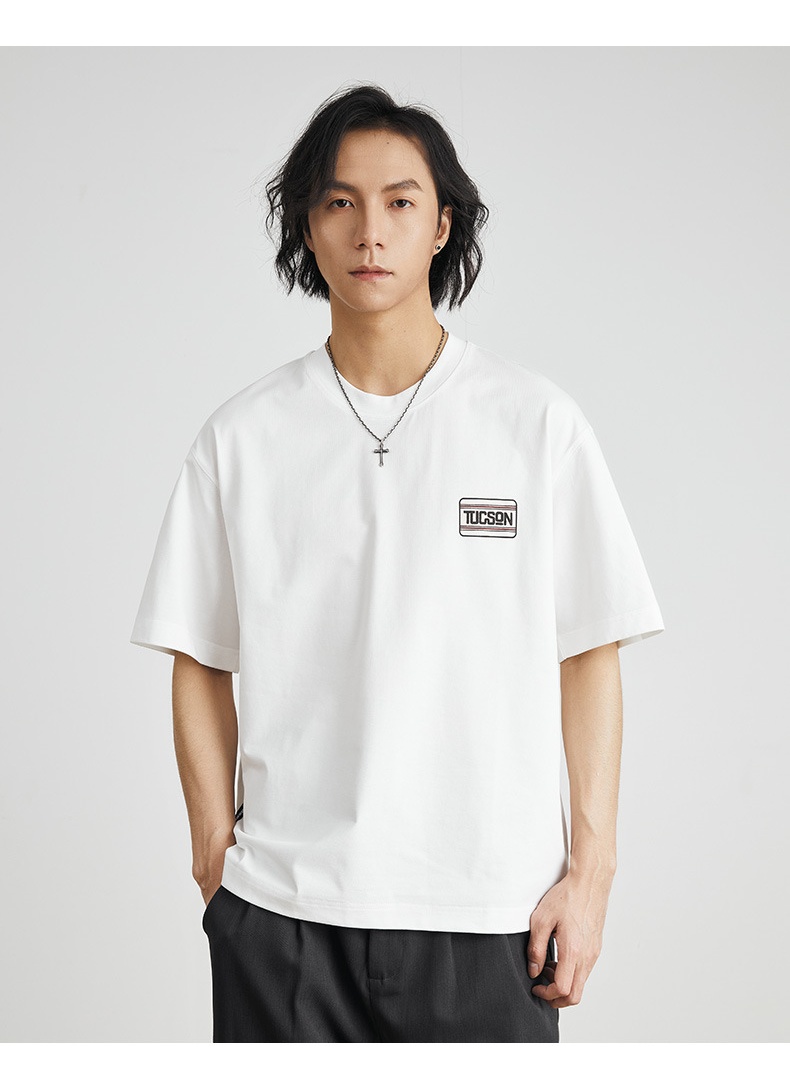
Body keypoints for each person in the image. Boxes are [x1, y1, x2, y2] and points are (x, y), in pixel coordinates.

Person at [130, 83, 664, 1043]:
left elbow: (589, 651)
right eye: (340, 202)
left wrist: (592, 875)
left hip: (492, 920)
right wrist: (216, 862)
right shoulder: (242, 439)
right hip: (285, 920)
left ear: (442, 224)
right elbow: (198, 654)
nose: (369, 231)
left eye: (399, 201)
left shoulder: (536, 425)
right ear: (308, 225)